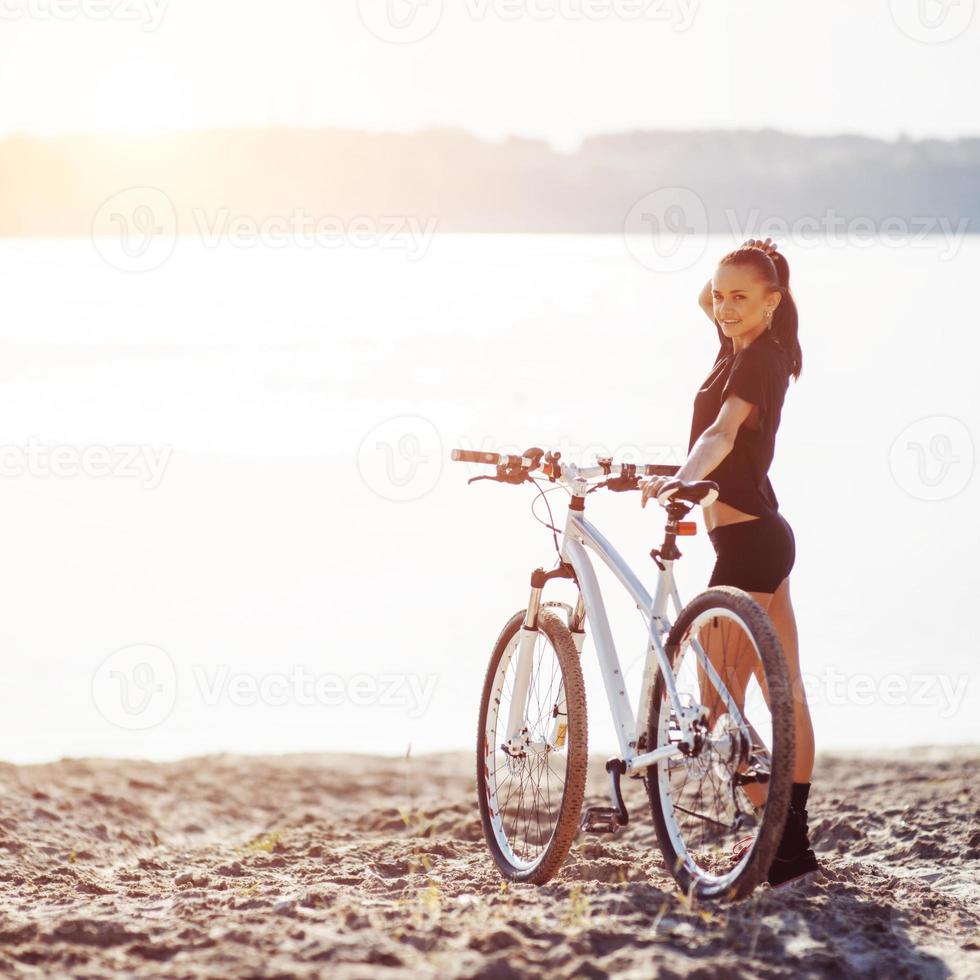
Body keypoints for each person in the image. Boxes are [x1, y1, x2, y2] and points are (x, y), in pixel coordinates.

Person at [639, 238, 819, 887]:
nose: (723, 307)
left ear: (774, 303)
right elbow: (712, 298)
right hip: (762, 539)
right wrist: (741, 278)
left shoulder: (758, 361)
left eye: (742, 297)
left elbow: (719, 435)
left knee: (718, 706)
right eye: (720, 295)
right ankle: (789, 844)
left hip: (750, 545)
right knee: (781, 692)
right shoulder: (739, 349)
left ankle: (778, 838)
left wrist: (681, 481)